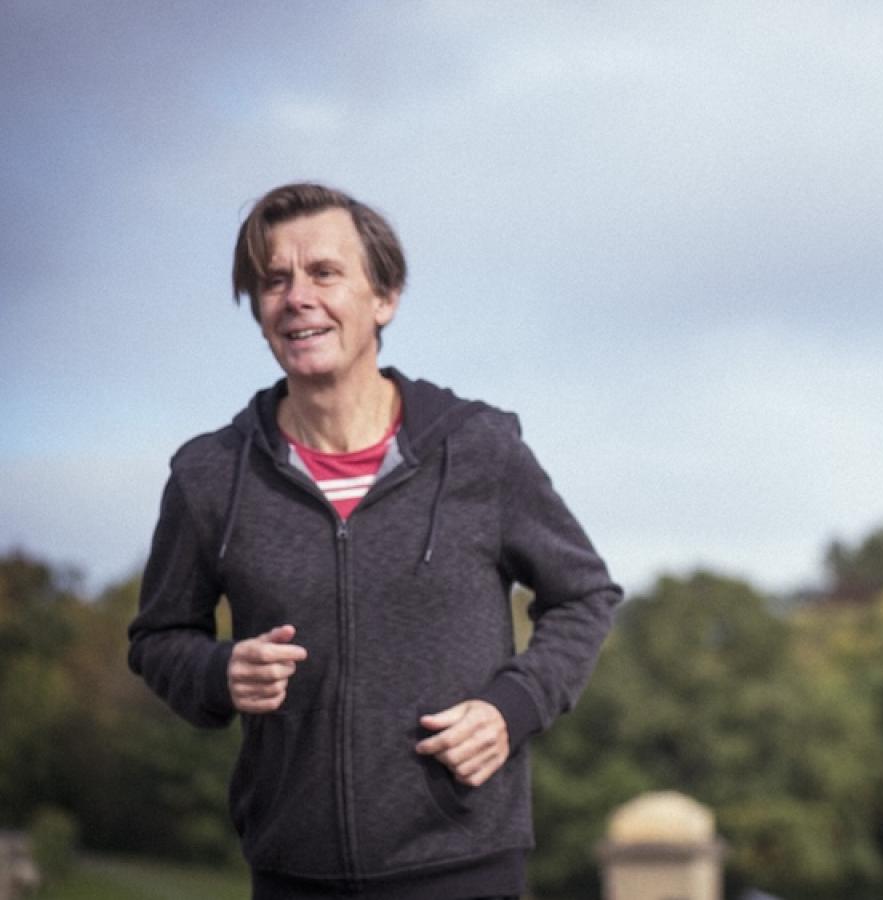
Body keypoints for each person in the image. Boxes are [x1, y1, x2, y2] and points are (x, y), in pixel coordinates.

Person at [128, 183, 622, 899]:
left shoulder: (479, 449)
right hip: (293, 876)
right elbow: (158, 638)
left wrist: (510, 709)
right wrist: (218, 671)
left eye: (324, 273)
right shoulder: (209, 475)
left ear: (384, 298)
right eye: (274, 280)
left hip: (465, 869)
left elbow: (584, 596)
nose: (297, 297)